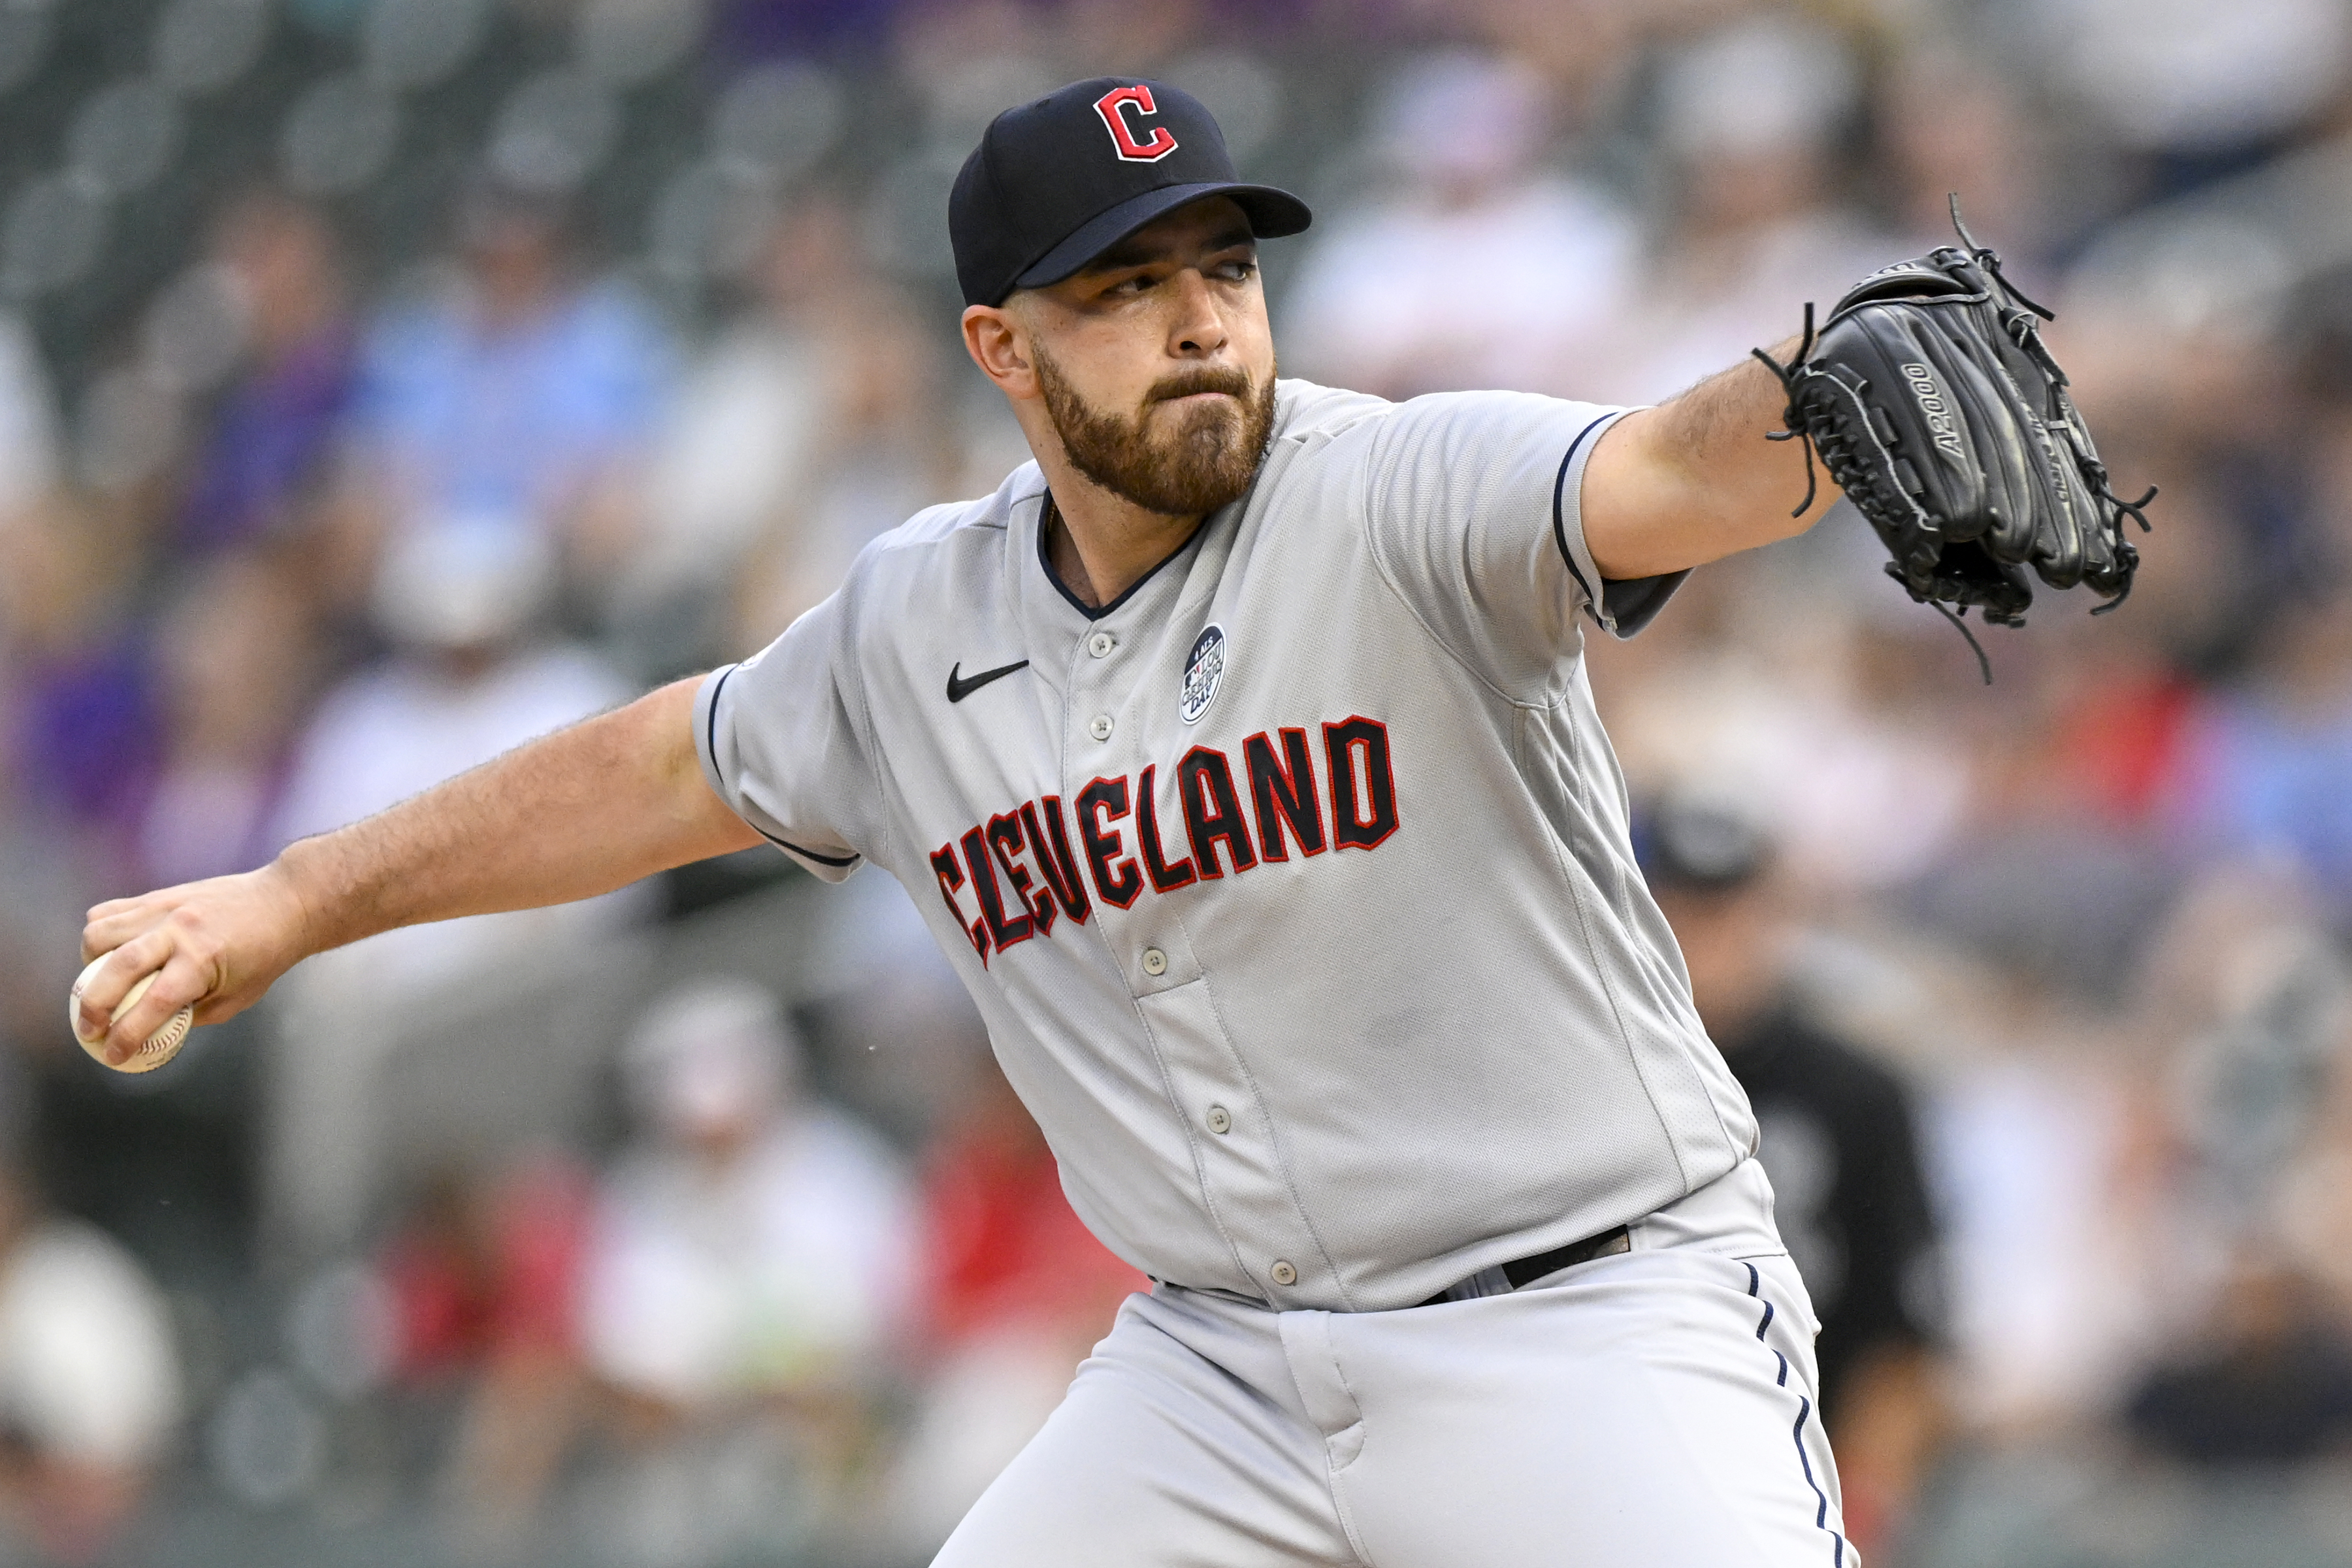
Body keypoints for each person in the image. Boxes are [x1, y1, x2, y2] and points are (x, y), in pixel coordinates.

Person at [82, 77, 1865, 1565]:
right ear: (1002, 347)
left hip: (1577, 1316)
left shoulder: (1390, 489)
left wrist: (1819, 390)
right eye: (1123, 287)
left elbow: (1654, 466)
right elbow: (654, 771)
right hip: (1222, 1367)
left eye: (1226, 269)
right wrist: (295, 899)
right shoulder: (913, 623)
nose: (1197, 322)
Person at [1640, 794, 1951, 1558]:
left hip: (1810, 1469)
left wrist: (1862, 1510)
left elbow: (1904, 1332)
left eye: (1732, 909)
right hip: (1634, 1459)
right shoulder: (1589, 1084)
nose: (1711, 941)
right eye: (1684, 911)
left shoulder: (1857, 1093)